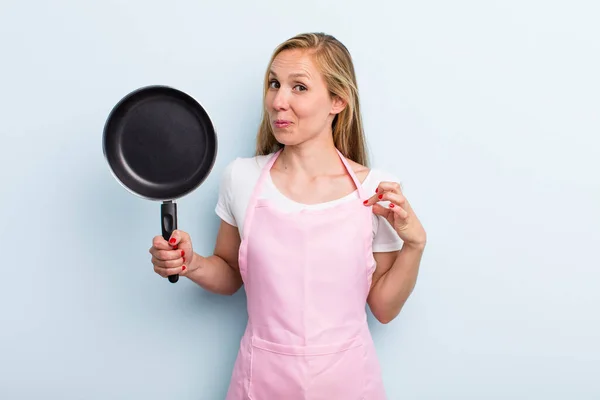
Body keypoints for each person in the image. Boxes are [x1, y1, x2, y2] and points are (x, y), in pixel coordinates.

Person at [149, 32, 427, 399]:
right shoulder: (242, 177)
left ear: (338, 100)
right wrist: (190, 263)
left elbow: (384, 308)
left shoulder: (376, 189)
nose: (278, 101)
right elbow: (231, 274)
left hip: (348, 382)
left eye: (299, 87)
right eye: (274, 84)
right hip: (261, 380)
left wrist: (415, 245)